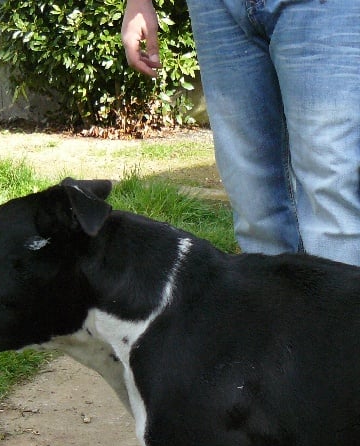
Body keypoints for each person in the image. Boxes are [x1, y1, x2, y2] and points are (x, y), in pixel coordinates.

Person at [121, 0, 360, 266]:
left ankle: (341, 306)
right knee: (253, 203)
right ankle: (272, 306)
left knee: (332, 190)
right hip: (216, 8)